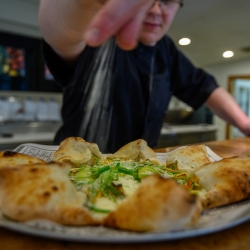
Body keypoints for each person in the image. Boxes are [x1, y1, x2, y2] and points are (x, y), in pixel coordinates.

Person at [38, 0, 250, 152]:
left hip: (141, 169)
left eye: (166, 1)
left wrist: (245, 124)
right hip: (73, 164)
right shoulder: (98, 33)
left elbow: (205, 88)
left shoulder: (165, 48)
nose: (156, 10)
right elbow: (61, 33)